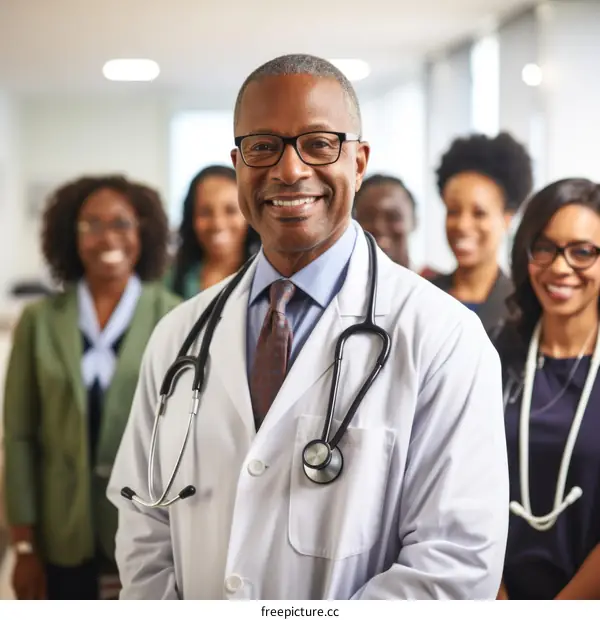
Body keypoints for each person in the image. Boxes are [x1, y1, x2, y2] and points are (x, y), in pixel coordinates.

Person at [107, 53, 509, 600]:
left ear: (359, 160)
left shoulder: (443, 338)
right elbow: (143, 529)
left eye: (319, 143)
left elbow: (455, 563)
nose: (290, 169)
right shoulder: (179, 337)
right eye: (263, 146)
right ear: (238, 163)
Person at [2, 174, 181, 600]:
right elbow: (20, 437)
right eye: (91, 224)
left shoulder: (176, 318)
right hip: (61, 531)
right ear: (70, 234)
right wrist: (24, 544)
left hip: (148, 530)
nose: (107, 237)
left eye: (122, 223)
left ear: (145, 232)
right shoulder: (39, 321)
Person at [495, 178, 600, 600]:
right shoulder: (493, 350)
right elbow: (453, 485)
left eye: (582, 251)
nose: (559, 267)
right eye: (545, 247)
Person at [429, 132, 533, 337]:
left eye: (479, 213)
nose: (463, 225)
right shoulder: (423, 295)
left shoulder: (523, 305)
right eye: (453, 211)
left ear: (507, 218)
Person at [166, 165, 260, 299]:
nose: (218, 224)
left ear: (249, 215)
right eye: (205, 212)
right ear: (191, 217)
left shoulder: (269, 278)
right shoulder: (169, 281)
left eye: (231, 210)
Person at [353, 174, 416, 269]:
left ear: (414, 221)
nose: (379, 227)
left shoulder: (432, 282)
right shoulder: (339, 282)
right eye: (368, 217)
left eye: (393, 217)